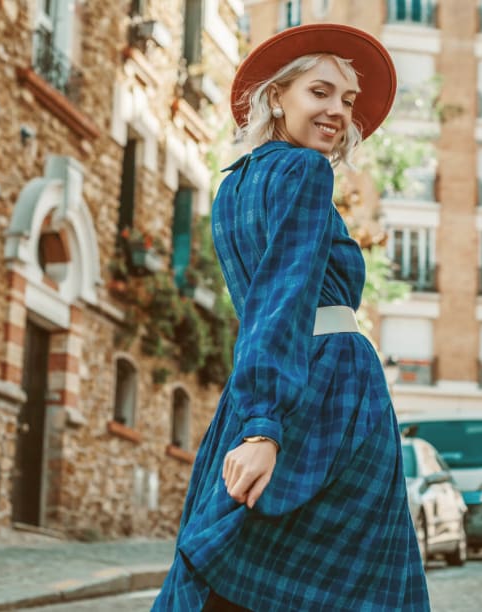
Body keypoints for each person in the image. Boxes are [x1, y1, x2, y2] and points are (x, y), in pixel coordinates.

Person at [152, 23, 430, 611]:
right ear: (276, 96)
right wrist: (261, 427)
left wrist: (257, 415)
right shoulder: (305, 172)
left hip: (275, 386)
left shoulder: (233, 186)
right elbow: (281, 295)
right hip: (328, 391)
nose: (338, 111)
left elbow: (262, 308)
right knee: (353, 584)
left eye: (347, 101)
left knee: (248, 558)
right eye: (320, 92)